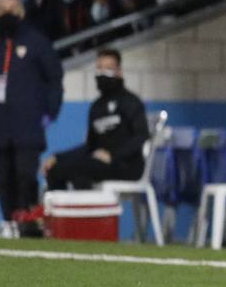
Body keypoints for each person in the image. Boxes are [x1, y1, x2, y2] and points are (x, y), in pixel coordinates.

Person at [0, 0, 63, 228]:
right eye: (2, 9)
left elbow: (55, 78)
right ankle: (9, 224)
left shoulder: (36, 42)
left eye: (12, 8)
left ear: (21, 12)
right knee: (3, 179)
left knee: (25, 176)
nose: (7, 13)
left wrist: (51, 111)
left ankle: (28, 224)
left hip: (27, 126)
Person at [42, 48, 147, 192]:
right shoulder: (96, 107)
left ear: (119, 72)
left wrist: (112, 155)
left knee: (78, 168)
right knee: (54, 169)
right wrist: (58, 157)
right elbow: (90, 147)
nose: (102, 73)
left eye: (108, 68)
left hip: (126, 166)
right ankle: (60, 212)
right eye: (99, 68)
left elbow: (142, 135)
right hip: (99, 164)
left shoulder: (131, 102)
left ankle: (86, 211)